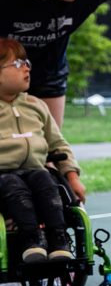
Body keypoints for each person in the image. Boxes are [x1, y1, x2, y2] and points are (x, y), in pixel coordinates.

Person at [0, 38, 85, 264]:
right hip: (3, 178)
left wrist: (73, 177)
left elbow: (59, 145)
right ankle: (31, 240)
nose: (27, 67)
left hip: (34, 172)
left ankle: (59, 240)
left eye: (26, 61)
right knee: (11, 183)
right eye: (17, 64)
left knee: (44, 179)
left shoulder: (36, 105)